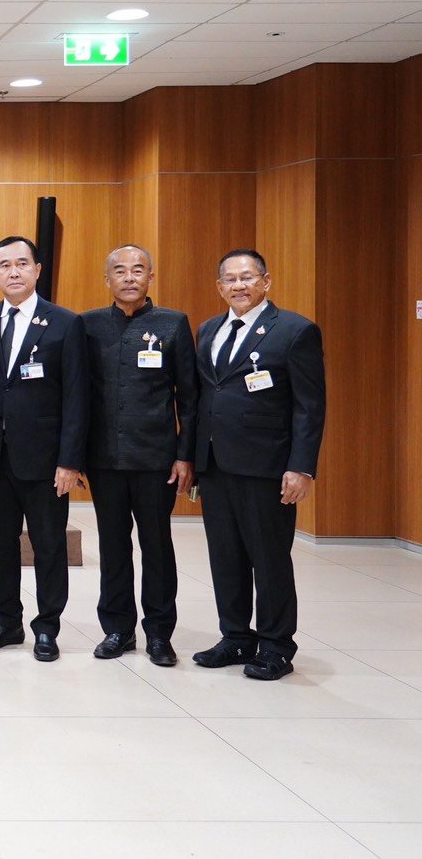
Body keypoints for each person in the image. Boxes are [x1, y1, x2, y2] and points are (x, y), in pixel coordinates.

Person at [192, 249, 325, 681]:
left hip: (267, 467)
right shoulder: (209, 330)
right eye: (230, 279)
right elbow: (205, 396)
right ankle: (235, 636)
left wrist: (301, 467)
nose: (239, 286)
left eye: (247, 277)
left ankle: (276, 646)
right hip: (216, 465)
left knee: (269, 560)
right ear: (219, 287)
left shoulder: (294, 331)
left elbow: (309, 406)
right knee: (225, 557)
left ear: (266, 281)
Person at [0, 236, 88, 663]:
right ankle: (5, 622)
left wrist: (70, 461)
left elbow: (77, 398)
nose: (13, 271)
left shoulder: (65, 323)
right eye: (4, 265)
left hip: (45, 460)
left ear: (37, 270)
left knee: (49, 546)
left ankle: (47, 627)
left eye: (22, 263)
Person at [80, 245, 198, 667]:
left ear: (150, 276)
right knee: (112, 547)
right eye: (120, 271)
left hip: (156, 460)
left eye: (138, 270)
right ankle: (117, 628)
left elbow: (190, 398)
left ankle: (160, 633)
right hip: (104, 459)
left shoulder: (173, 323)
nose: (129, 277)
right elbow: (78, 395)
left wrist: (185, 455)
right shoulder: (89, 325)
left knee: (157, 547)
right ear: (106, 279)